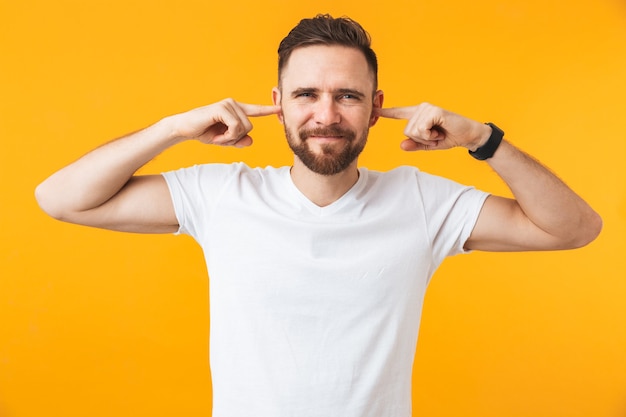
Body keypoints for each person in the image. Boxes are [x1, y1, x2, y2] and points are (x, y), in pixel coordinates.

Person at [35, 13, 601, 417]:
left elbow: (575, 228)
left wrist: (482, 138)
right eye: (306, 94)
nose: (325, 115)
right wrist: (173, 128)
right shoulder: (220, 195)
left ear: (376, 107)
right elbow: (60, 198)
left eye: (348, 96)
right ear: (278, 103)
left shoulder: (423, 202)